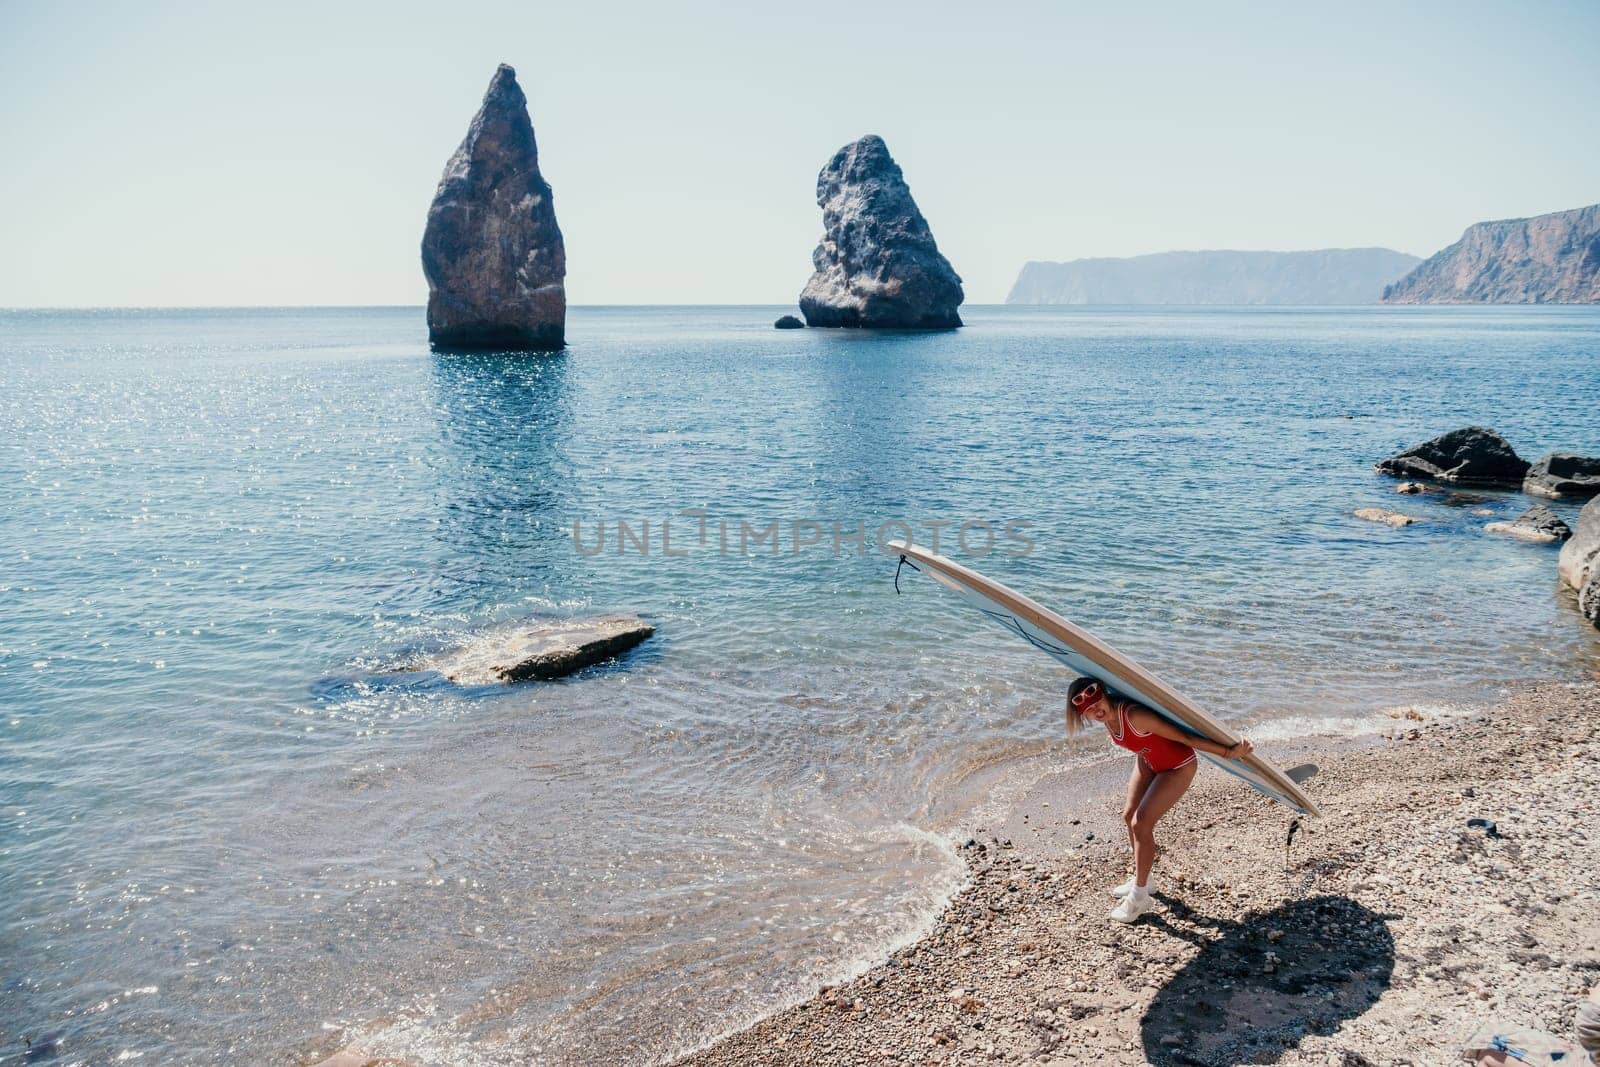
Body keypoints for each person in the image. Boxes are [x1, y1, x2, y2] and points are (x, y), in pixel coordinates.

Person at [1065, 675, 1254, 923]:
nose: (1096, 711)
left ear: (1104, 695)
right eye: (1088, 711)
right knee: (1128, 815)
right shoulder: (1109, 720)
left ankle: (1140, 896)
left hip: (1178, 767)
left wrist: (1229, 752)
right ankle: (1145, 879)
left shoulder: (1134, 716)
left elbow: (1184, 738)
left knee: (1141, 823)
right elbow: (1143, 745)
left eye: (1097, 702)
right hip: (1148, 761)